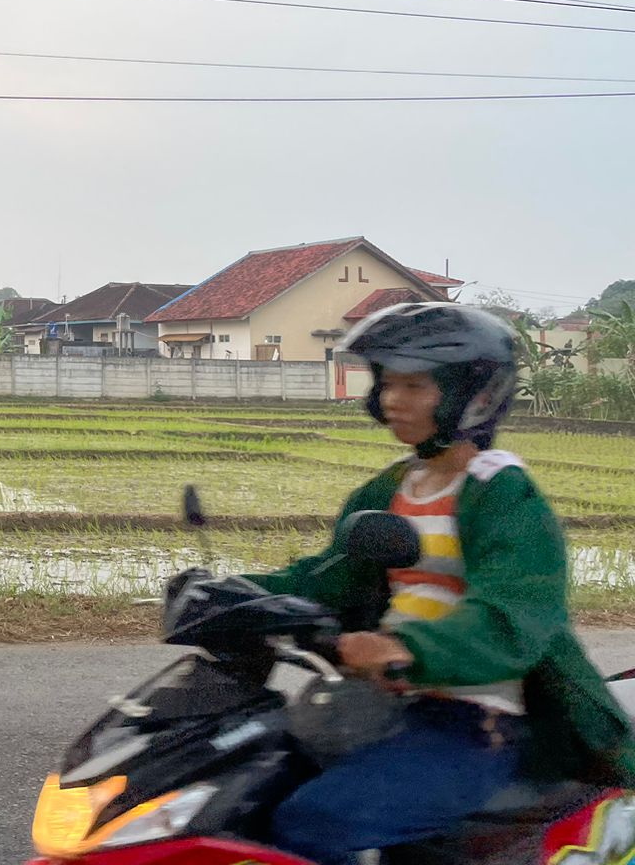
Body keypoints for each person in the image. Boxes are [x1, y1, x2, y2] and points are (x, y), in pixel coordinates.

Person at [245, 302, 635, 865]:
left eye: (414, 385)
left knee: (317, 823)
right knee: (250, 789)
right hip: (388, 708)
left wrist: (405, 647)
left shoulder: (503, 495)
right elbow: (330, 575)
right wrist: (239, 592)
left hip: (476, 725)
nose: (392, 400)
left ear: (471, 393)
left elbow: (510, 618)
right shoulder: (393, 489)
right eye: (387, 383)